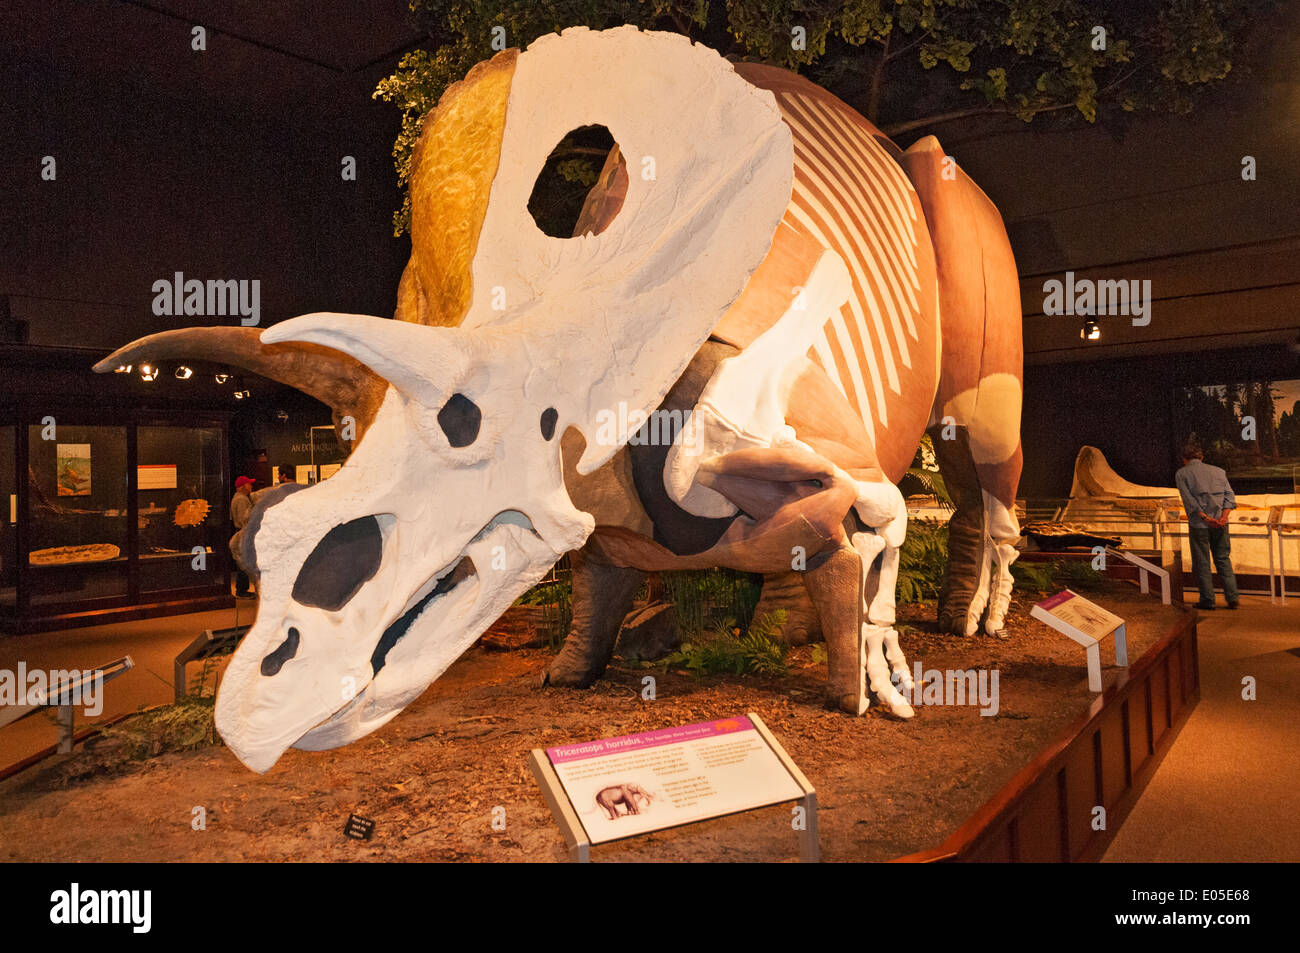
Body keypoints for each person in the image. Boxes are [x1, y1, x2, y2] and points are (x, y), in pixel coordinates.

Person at [1175, 446, 1238, 611]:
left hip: (1199, 525)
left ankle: (1208, 600)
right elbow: (1229, 497)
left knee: (1202, 562)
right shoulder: (1219, 472)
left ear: (1184, 458)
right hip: (1221, 524)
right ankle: (1232, 598)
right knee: (1223, 559)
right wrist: (1223, 518)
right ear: (1201, 457)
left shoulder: (1182, 474)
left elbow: (1189, 501)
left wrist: (1205, 518)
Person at [229, 476, 256, 599]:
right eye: (249, 484)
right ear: (243, 486)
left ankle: (242, 588)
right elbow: (244, 519)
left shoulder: (238, 498)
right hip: (243, 532)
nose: (251, 486)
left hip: (241, 531)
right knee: (243, 562)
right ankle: (242, 590)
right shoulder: (242, 500)